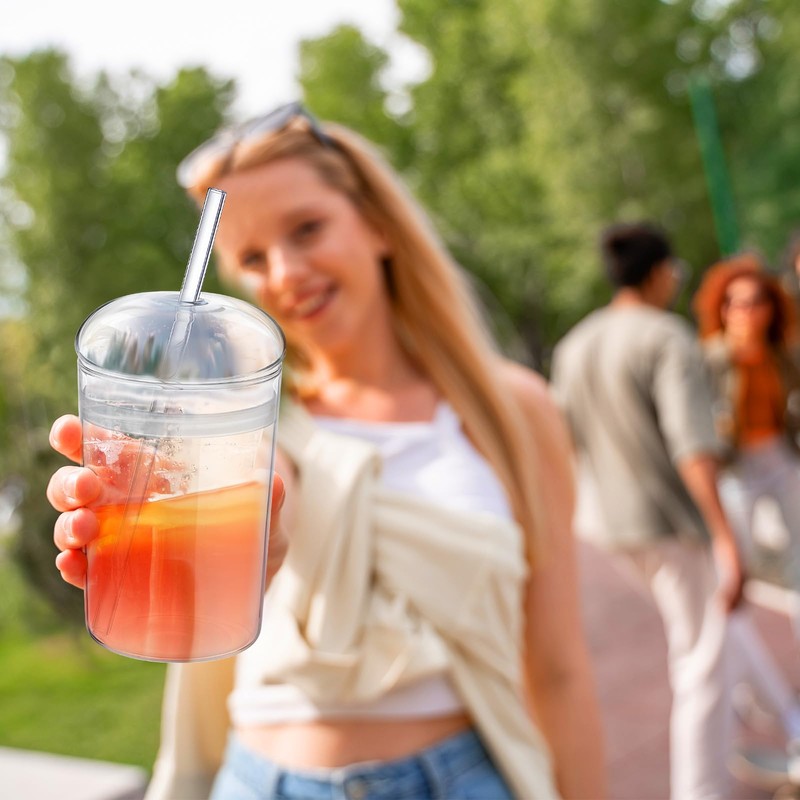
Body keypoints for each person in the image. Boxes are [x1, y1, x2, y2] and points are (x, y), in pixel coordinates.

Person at [46, 103, 606, 800]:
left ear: (377, 224)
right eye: (253, 258)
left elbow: (557, 667)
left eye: (306, 229)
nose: (285, 272)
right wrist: (239, 537)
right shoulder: (254, 423)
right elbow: (265, 503)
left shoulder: (511, 409)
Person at [550, 221, 747, 800]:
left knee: (715, 624)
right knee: (702, 663)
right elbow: (692, 445)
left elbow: (563, 439)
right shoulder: (665, 336)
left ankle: (787, 718)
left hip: (607, 525)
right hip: (668, 522)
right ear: (660, 272)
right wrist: (725, 536)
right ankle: (701, 790)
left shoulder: (574, 344)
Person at [692, 254, 800, 612]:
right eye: (737, 303)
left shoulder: (781, 356)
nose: (747, 312)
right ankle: (730, 632)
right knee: (736, 561)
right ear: (723, 309)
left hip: (779, 454)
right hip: (737, 465)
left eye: (756, 302)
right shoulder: (713, 359)